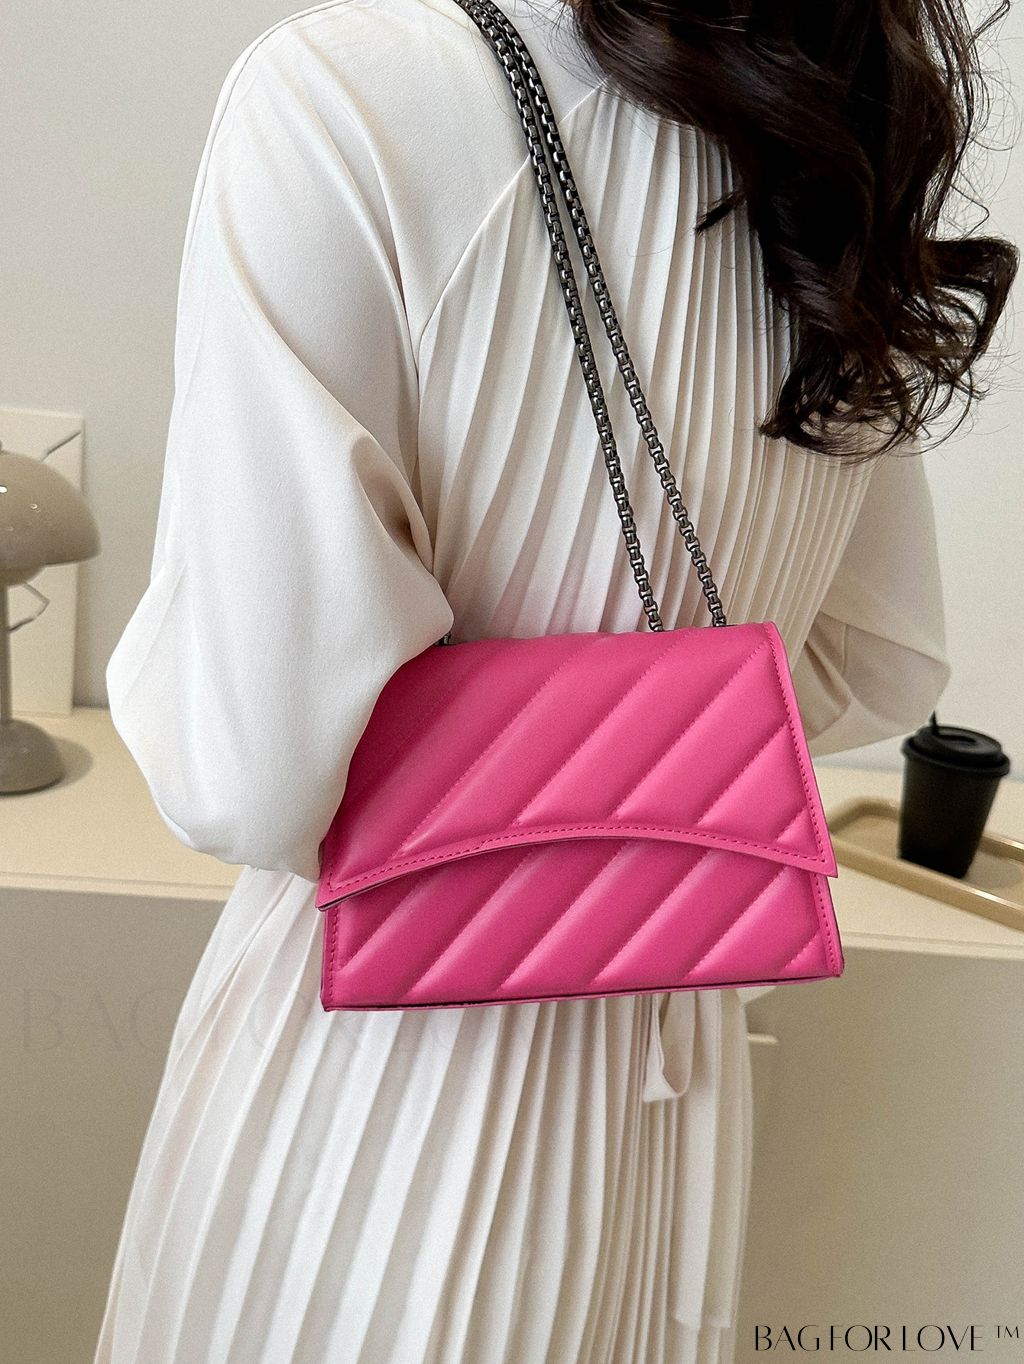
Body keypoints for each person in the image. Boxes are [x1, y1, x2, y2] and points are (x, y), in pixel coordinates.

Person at [94, 0, 1016, 1359]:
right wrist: (656, 757)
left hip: (369, 1106)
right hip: (670, 1077)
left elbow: (245, 774)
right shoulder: (824, 149)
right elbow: (883, 660)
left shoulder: (343, 99)